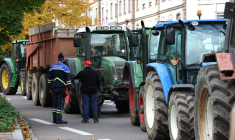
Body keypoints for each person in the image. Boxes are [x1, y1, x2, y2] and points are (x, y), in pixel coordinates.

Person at [48, 53, 71, 124]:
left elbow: (49, 79)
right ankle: (59, 120)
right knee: (60, 104)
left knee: (54, 103)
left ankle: (54, 119)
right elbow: (68, 80)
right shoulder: (65, 67)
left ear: (58, 58)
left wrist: (50, 87)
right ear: (63, 59)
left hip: (54, 88)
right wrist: (69, 89)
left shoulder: (52, 67)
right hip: (61, 88)